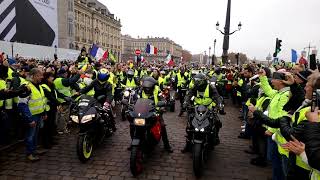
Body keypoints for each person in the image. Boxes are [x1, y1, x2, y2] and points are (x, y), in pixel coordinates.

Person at [181, 73, 224, 153]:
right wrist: (185, 103)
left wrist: (220, 105)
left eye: (198, 81)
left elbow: (217, 97)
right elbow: (188, 95)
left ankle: (215, 138)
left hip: (209, 109)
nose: (196, 82)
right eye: (195, 81)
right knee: (190, 125)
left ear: (203, 81)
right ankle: (188, 144)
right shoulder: (195, 87)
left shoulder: (211, 87)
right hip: (196, 108)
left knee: (217, 122)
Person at [135, 77, 173, 153]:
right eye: (146, 87)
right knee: (133, 124)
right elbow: (135, 100)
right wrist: (132, 105)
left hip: (155, 111)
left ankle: (167, 145)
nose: (147, 89)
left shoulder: (157, 90)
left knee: (162, 126)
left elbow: (162, 99)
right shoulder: (140, 90)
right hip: (142, 112)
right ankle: (134, 141)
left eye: (149, 87)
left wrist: (162, 105)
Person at [18, 68, 47, 162]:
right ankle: (29, 154)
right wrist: (30, 119)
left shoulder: (38, 85)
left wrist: (43, 112)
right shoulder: (26, 86)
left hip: (38, 114)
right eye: (40, 75)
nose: (42, 77)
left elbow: (41, 100)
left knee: (35, 135)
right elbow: (22, 104)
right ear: (34, 76)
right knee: (30, 135)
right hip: (31, 116)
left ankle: (34, 150)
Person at [54, 66, 81, 134]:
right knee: (64, 116)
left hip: (60, 100)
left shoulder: (56, 80)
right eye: (66, 73)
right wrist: (79, 74)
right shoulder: (61, 80)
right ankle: (62, 129)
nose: (67, 75)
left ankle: (58, 129)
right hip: (64, 101)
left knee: (59, 116)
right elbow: (71, 81)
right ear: (63, 74)